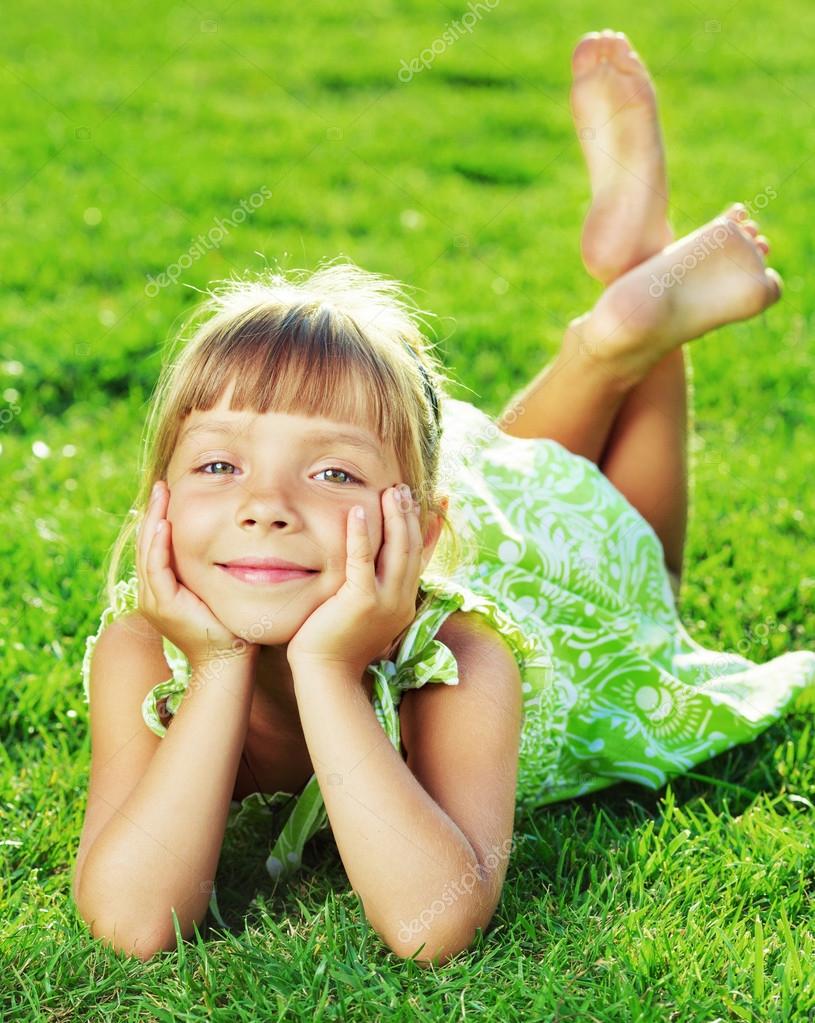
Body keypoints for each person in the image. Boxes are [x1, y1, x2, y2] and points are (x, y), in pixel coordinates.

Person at [72, 29, 815, 967]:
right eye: (219, 466)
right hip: (452, 502)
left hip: (546, 572)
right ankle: (614, 318)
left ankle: (636, 312)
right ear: (159, 506)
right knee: (517, 467)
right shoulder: (146, 651)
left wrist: (328, 672)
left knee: (640, 565)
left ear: (419, 534)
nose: (264, 504)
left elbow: (433, 923)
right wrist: (218, 666)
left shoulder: (462, 661)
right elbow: (132, 920)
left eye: (328, 471)